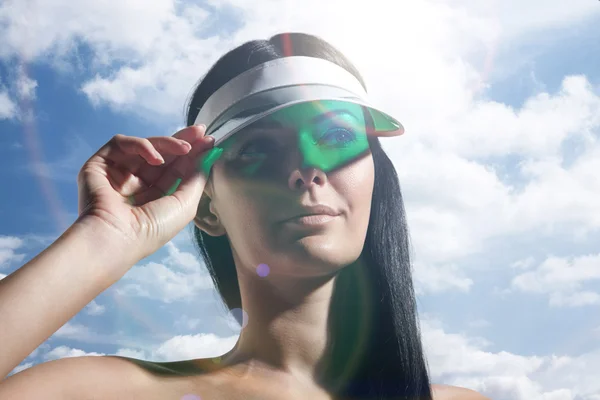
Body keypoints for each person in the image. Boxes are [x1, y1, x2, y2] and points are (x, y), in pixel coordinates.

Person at [0, 33, 489, 400]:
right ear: (206, 207)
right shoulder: (111, 392)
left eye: (337, 137)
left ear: (375, 177)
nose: (305, 170)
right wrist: (104, 239)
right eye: (257, 148)